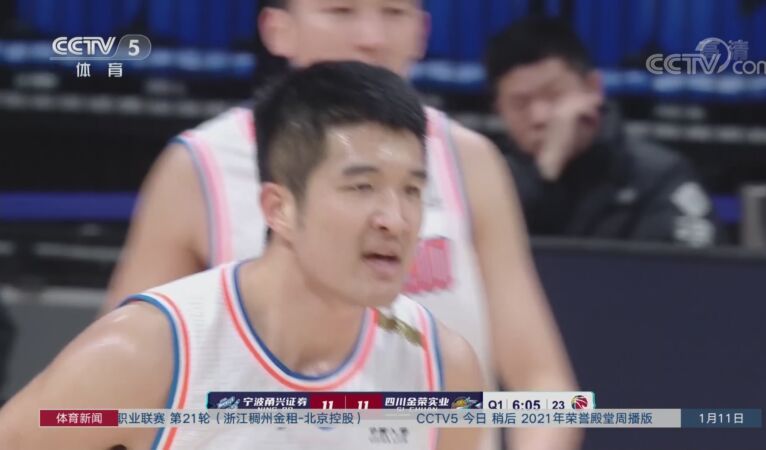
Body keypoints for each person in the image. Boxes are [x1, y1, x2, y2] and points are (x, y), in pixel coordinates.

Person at [102, 2, 580, 449]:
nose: (371, 37)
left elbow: (544, 384)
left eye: (393, 12)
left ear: (422, 32)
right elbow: (121, 386)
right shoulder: (201, 167)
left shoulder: (470, 161)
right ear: (278, 30)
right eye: (341, 11)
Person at [0, 62, 484, 450]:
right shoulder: (146, 352)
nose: (395, 220)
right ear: (279, 208)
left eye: (412, 190)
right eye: (362, 187)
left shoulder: (443, 370)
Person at [484, 17, 720, 246]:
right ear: (498, 109)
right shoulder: (487, 179)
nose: (540, 117)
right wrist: (546, 168)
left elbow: (692, 268)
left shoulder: (659, 175)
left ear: (593, 87)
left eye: (553, 95)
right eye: (520, 104)